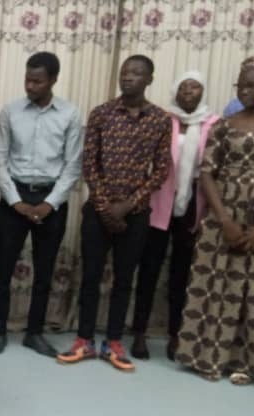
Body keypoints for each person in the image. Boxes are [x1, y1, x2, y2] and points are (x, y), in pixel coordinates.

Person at [176, 57, 254, 385]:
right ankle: (209, 357)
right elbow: (207, 173)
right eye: (240, 85)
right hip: (224, 212)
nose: (244, 91)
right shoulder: (224, 125)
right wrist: (225, 221)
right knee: (217, 285)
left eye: (252, 85)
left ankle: (250, 363)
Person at [57, 55, 170, 372]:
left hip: (135, 213)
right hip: (98, 211)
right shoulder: (102, 113)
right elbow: (89, 163)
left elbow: (161, 170)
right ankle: (84, 340)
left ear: (149, 79)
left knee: (124, 279)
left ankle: (114, 342)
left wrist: (128, 205)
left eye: (136, 73)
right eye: (125, 72)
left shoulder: (160, 119)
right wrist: (105, 206)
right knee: (90, 276)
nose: (128, 77)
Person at [0, 52, 81, 357]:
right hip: (14, 198)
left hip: (51, 200)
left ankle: (34, 333)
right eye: (28, 79)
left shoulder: (70, 114)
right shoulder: (11, 111)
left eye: (37, 81)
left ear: (53, 80)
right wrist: (16, 202)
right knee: (4, 269)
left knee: (44, 271)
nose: (30, 86)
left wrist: (49, 204)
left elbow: (72, 166)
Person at [130, 71, 219, 361]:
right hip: (160, 201)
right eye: (184, 87)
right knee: (149, 269)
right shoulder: (163, 120)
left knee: (181, 273)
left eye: (195, 87)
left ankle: (175, 335)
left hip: (193, 204)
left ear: (203, 92)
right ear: (175, 92)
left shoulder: (214, 124)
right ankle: (139, 333)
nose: (189, 92)